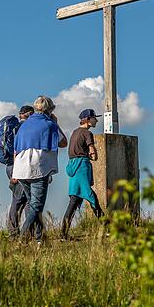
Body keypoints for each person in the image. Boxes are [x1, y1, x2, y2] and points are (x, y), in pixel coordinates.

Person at [13, 95, 67, 244]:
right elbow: (63, 143)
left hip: (20, 168)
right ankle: (21, 239)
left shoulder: (24, 125)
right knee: (36, 206)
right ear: (50, 110)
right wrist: (56, 123)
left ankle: (39, 240)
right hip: (38, 168)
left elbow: (16, 149)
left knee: (33, 206)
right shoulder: (50, 124)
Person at [61, 109, 104, 240]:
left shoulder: (74, 133)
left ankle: (63, 233)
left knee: (75, 199)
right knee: (91, 196)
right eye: (94, 118)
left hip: (73, 167)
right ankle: (107, 227)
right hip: (82, 167)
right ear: (87, 119)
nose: (96, 120)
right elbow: (93, 153)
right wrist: (93, 154)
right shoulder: (87, 133)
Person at [6, 105, 34, 237]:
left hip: (12, 166)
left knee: (18, 199)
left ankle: (16, 232)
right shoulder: (25, 128)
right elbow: (18, 151)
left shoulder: (16, 127)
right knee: (25, 200)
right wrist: (16, 171)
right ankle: (24, 233)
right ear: (28, 114)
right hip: (19, 165)